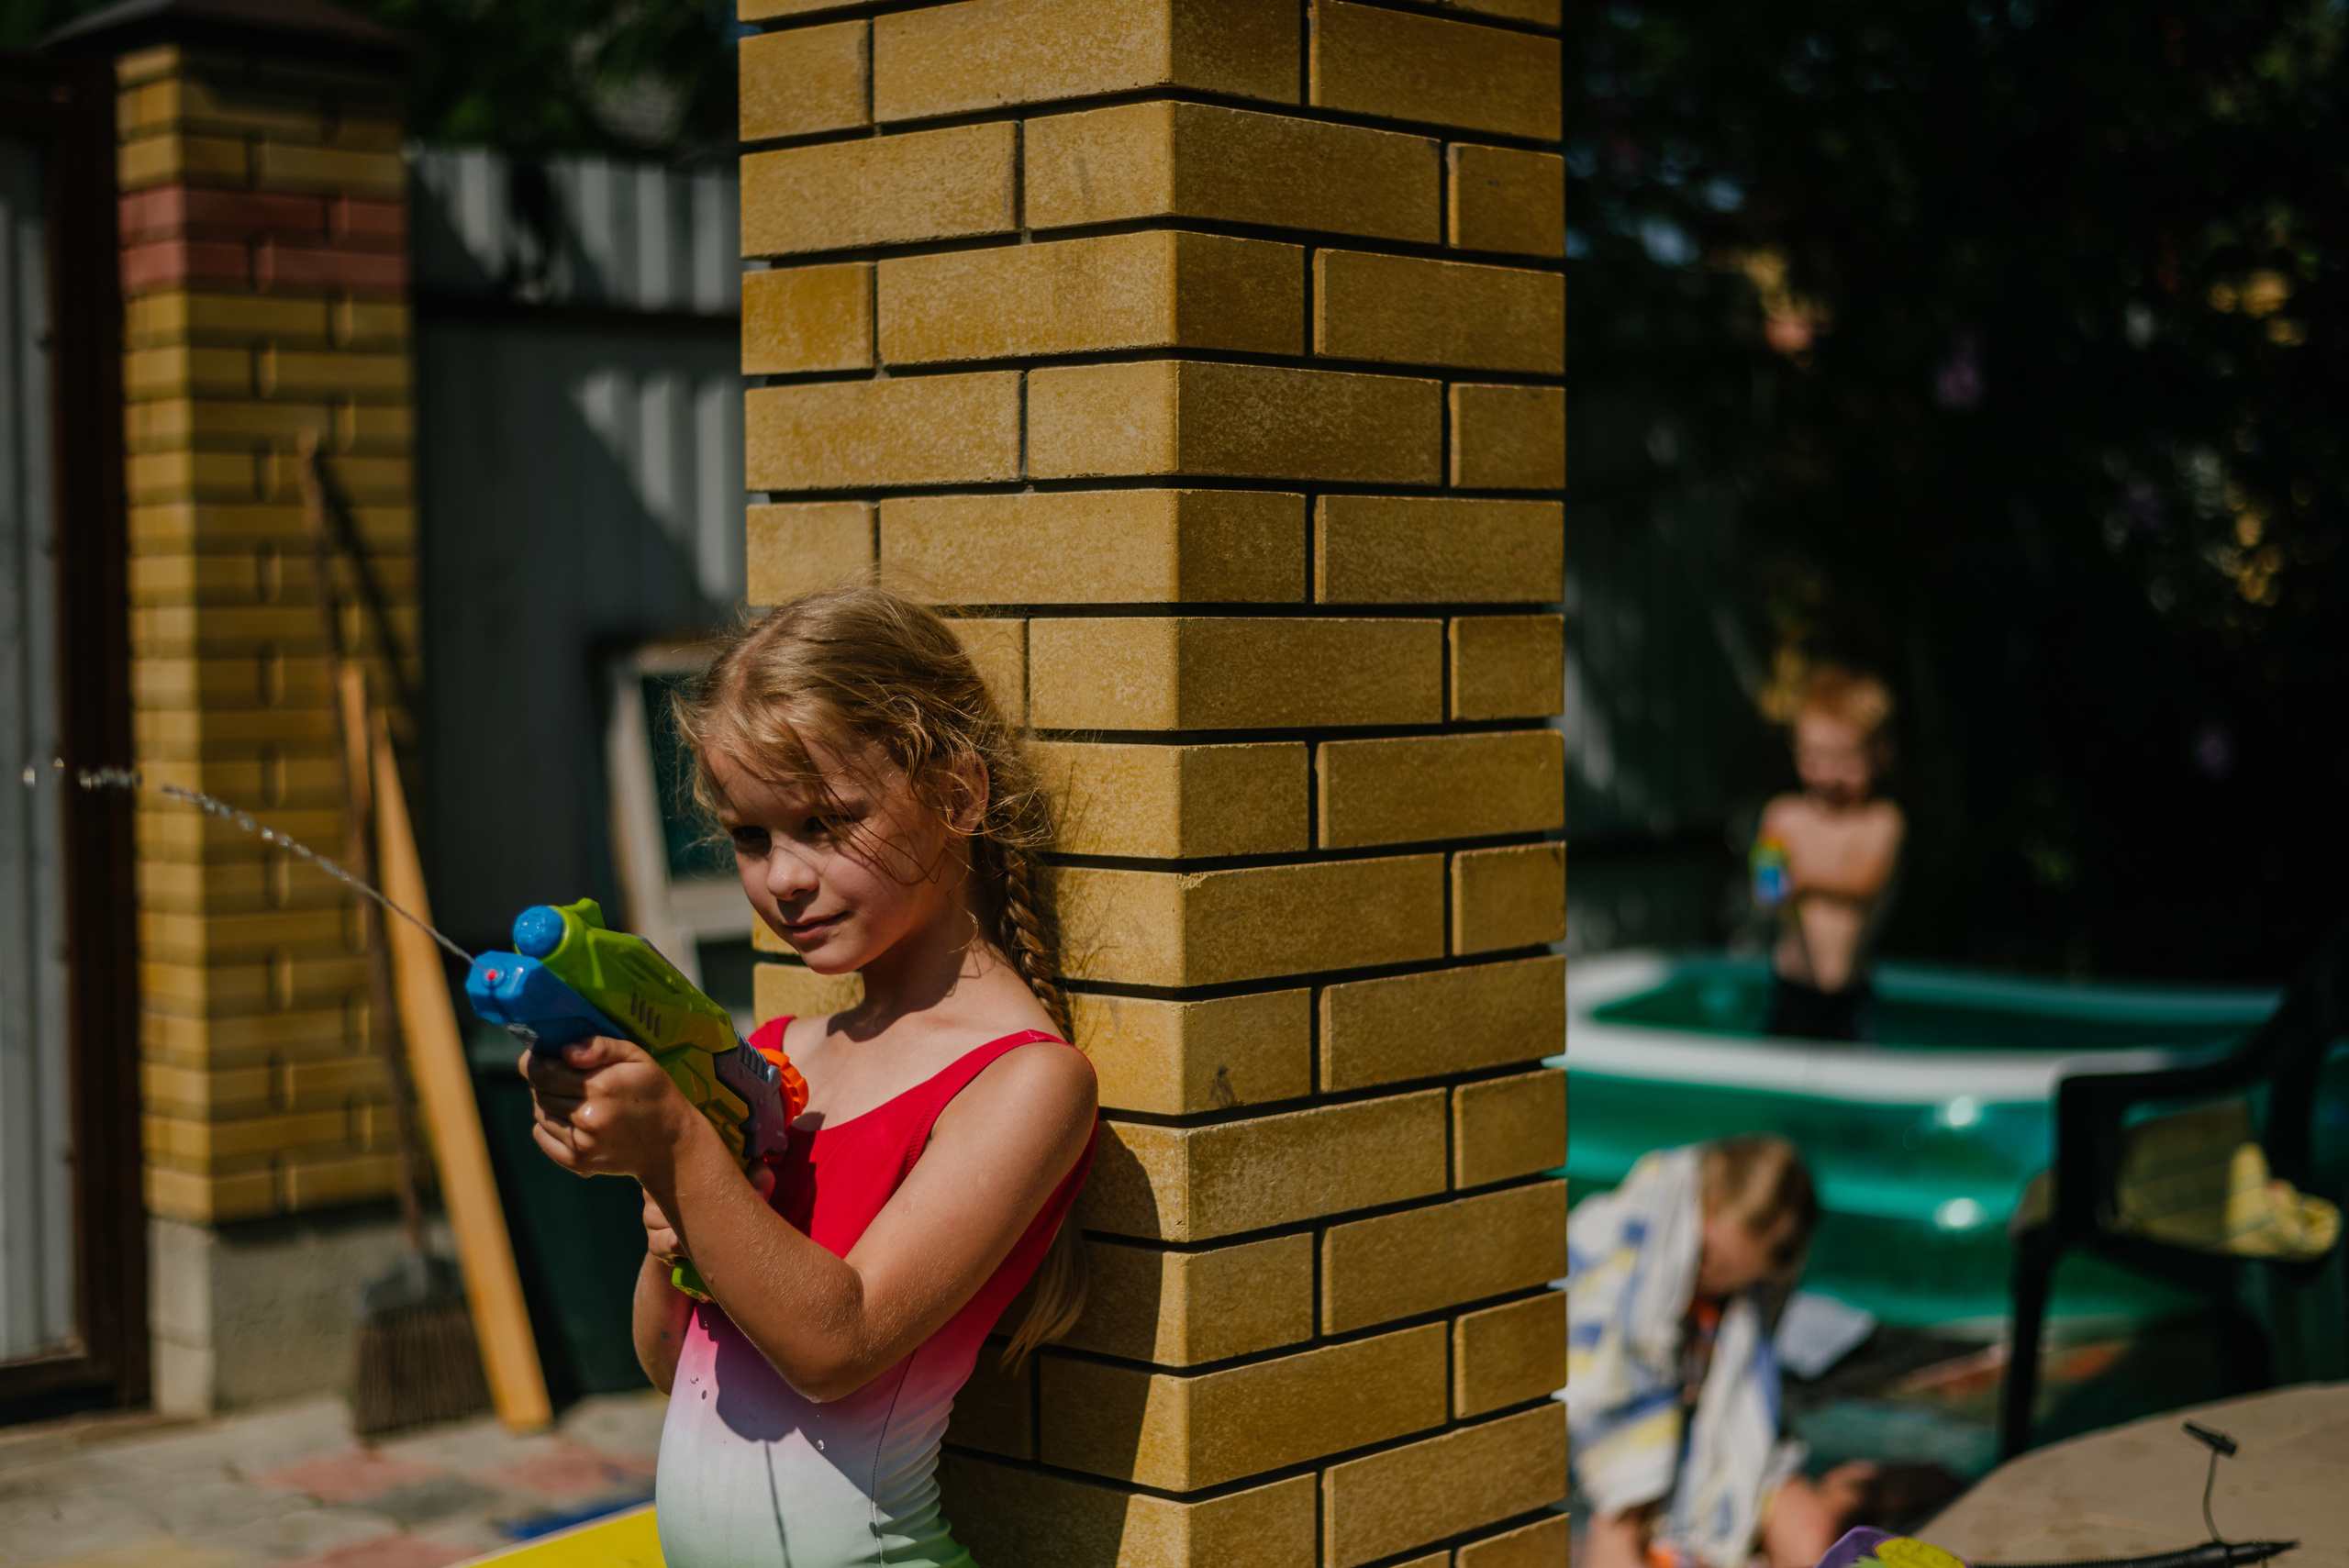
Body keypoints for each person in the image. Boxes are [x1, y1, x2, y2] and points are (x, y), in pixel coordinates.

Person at [521, 585, 1098, 1568]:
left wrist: (678, 1147)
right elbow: (668, 1361)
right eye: (750, 836)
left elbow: (837, 1346)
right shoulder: (778, 1055)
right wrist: (667, 1198)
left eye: (827, 822)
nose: (782, 877)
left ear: (958, 797)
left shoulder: (1024, 1080)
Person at [1571, 1136, 1883, 1568]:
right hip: (1624, 1450)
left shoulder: (1742, 1308)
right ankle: (1854, 1490)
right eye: (1702, 1254)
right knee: (1618, 1537)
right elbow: (1603, 1371)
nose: (1701, 1269)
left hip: (1713, 1452)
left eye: (1725, 1269)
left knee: (1814, 1541)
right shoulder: (1630, 1248)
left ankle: (1850, 1492)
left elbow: (1745, 1413)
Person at [1753, 664, 1905, 1041]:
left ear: (1881, 753)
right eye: (1815, 758)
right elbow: (1767, 888)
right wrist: (1773, 886)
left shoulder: (1882, 822)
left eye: (1847, 761)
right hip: (1791, 989)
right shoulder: (1781, 816)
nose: (1829, 775)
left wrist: (1804, 878)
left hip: (1849, 996)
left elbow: (1864, 882)